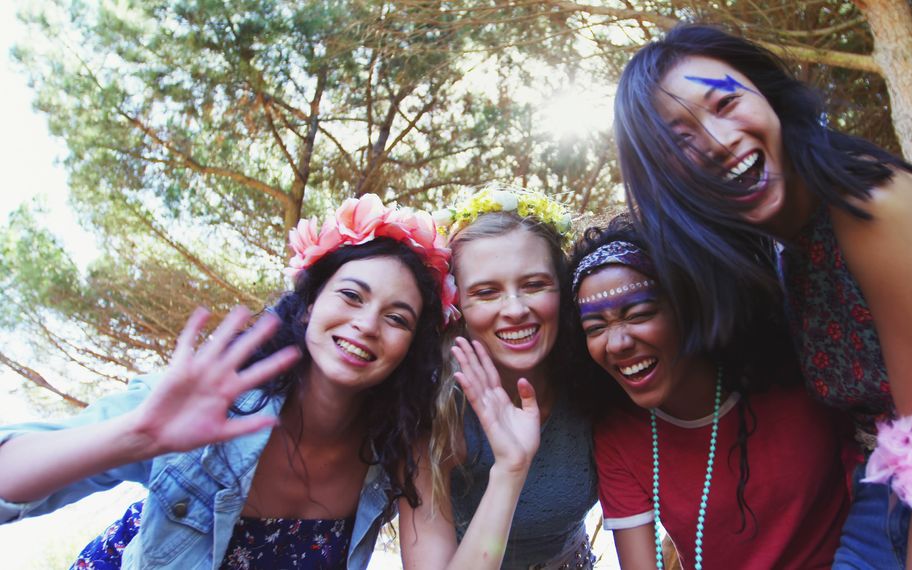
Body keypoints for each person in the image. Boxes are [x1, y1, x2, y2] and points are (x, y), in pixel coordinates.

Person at [611, 23, 912, 569]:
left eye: (726, 102)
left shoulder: (872, 204)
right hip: (888, 488)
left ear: (770, 97)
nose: (718, 142)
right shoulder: (778, 247)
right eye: (681, 141)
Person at [0, 195, 455, 569]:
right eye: (351, 295)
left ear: (411, 349)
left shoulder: (393, 452)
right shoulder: (209, 399)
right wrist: (136, 436)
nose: (368, 324)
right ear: (309, 305)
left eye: (397, 318)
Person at [569, 215, 851, 570]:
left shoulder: (798, 373)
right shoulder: (620, 433)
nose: (618, 342)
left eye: (640, 314)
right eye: (595, 327)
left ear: (690, 304)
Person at [399, 186, 598, 569]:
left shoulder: (595, 385)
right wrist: (510, 468)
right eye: (487, 292)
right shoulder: (429, 413)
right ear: (456, 307)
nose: (515, 309)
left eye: (534, 285)